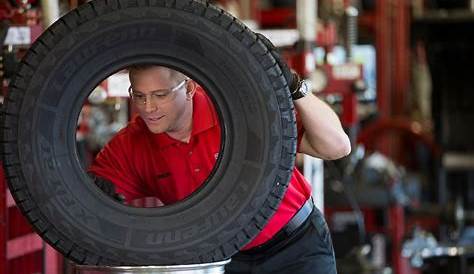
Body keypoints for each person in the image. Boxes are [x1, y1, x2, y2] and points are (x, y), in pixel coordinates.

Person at [89, 58, 350, 273]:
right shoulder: (132, 144)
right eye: (139, 95)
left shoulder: (238, 112)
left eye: (160, 95)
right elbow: (84, 200)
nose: (148, 108)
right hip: (221, 262)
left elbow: (337, 146)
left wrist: (293, 86)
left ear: (189, 88)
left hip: (294, 249)